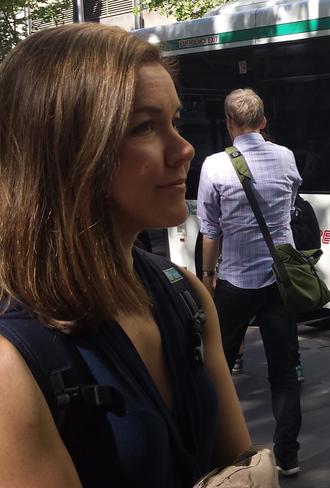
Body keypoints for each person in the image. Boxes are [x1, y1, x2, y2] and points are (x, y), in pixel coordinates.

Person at [0, 23, 252, 487]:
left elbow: (242, 468)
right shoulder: (13, 361)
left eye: (175, 120)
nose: (184, 149)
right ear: (66, 151)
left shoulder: (187, 296)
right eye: (143, 127)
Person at [198, 88, 303, 477]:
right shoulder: (287, 156)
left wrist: (208, 276)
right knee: (285, 370)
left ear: (229, 124)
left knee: (218, 367)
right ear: (263, 122)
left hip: (235, 282)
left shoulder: (214, 165)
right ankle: (288, 456)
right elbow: (291, 203)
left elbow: (210, 230)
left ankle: (220, 448)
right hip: (280, 281)